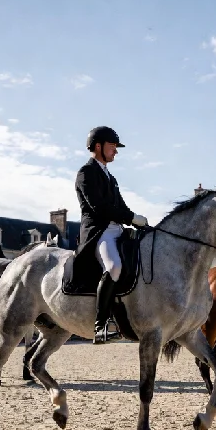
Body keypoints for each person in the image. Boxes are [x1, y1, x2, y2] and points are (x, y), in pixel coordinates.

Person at [73, 126, 148, 343]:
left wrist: (139, 222)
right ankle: (101, 324)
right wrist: (132, 217)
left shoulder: (110, 177)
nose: (115, 151)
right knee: (114, 266)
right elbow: (99, 208)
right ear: (98, 146)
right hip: (99, 232)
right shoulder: (86, 173)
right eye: (112, 146)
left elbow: (121, 206)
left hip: (117, 230)